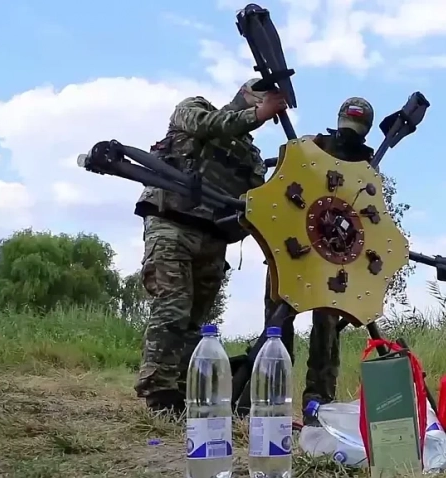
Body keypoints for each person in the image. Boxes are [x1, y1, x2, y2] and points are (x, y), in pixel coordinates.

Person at [133, 78, 289, 414]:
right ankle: (159, 395)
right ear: (245, 95)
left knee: (196, 321)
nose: (262, 107)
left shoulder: (250, 155)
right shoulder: (195, 109)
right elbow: (210, 125)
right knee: (172, 308)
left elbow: (258, 199)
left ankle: (183, 392)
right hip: (171, 222)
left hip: (212, 238)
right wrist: (257, 115)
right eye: (260, 98)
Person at [264, 97, 375, 426]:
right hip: (293, 247)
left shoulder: (367, 164)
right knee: (278, 322)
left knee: (326, 328)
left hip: (333, 256)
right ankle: (272, 400)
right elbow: (280, 188)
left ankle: (318, 405)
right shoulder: (310, 146)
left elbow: (367, 213)